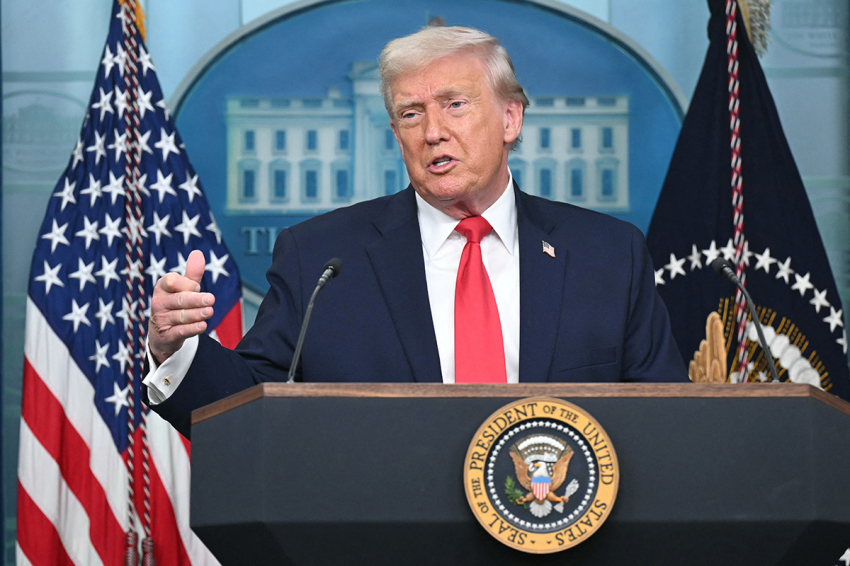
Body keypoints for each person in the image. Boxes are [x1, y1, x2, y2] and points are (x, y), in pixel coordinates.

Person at [145, 26, 687, 438]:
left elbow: (667, 424)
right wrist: (176, 351)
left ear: (510, 120)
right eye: (410, 114)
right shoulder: (322, 259)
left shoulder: (608, 255)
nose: (432, 132)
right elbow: (249, 413)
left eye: (455, 104)